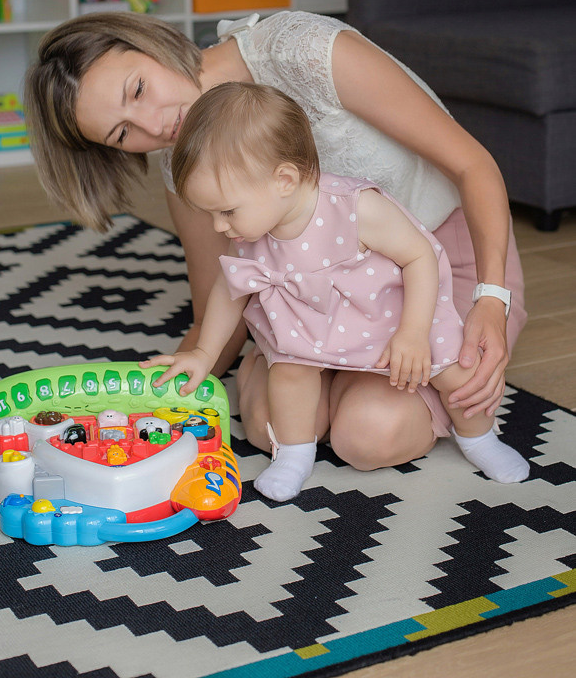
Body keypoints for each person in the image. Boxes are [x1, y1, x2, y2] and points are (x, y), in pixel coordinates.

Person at [23, 8, 527, 472]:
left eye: (137, 89)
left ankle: (361, 389)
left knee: (369, 433)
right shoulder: (184, 164)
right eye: (122, 133)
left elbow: (472, 164)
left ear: (150, 44)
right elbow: (219, 304)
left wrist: (492, 299)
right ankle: (327, 377)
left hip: (428, 270)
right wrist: (147, 407)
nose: (155, 124)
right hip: (308, 300)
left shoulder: (304, 52)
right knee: (275, 426)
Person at [140, 83, 529, 499]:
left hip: (392, 315)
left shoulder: (355, 207)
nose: (219, 226)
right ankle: (293, 455)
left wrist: (413, 333)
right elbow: (228, 289)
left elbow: (420, 258)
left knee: (456, 371)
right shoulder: (253, 226)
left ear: (284, 179)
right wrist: (204, 352)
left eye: (226, 211)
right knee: (290, 372)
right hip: (313, 323)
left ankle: (480, 438)